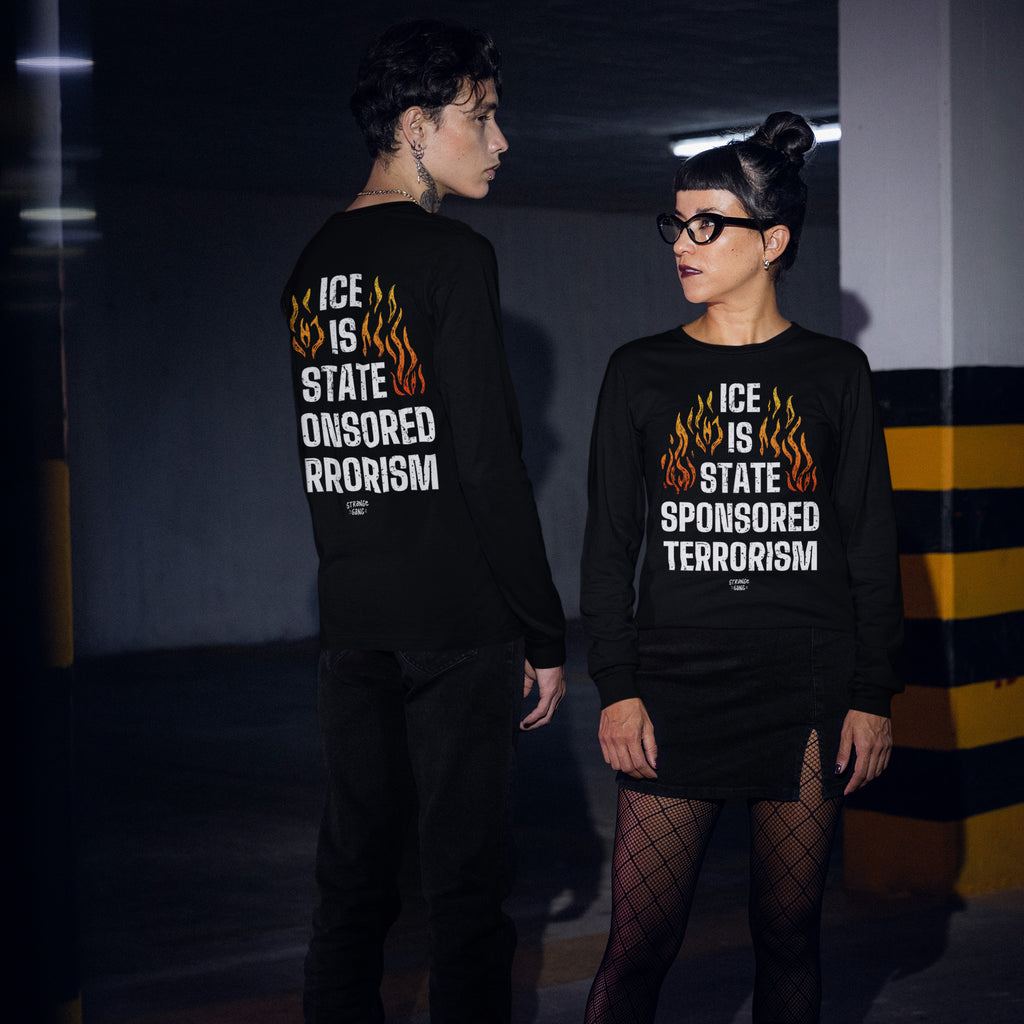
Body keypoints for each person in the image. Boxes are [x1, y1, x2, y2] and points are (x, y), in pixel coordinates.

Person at [580, 112, 903, 1023]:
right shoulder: (640, 371)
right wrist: (617, 685)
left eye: (705, 225)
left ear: (773, 241)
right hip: (674, 686)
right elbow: (609, 544)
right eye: (676, 225)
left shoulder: (835, 372)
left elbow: (869, 542)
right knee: (637, 944)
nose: (682, 245)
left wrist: (872, 694)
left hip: (804, 684)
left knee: (787, 932)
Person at [281, 20, 566, 1023]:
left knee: (352, 883)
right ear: (415, 125)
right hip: (455, 624)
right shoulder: (450, 256)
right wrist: (542, 628)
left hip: (353, 621)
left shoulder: (312, 268)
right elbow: (488, 464)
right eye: (480, 118)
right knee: (463, 892)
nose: (499, 142)